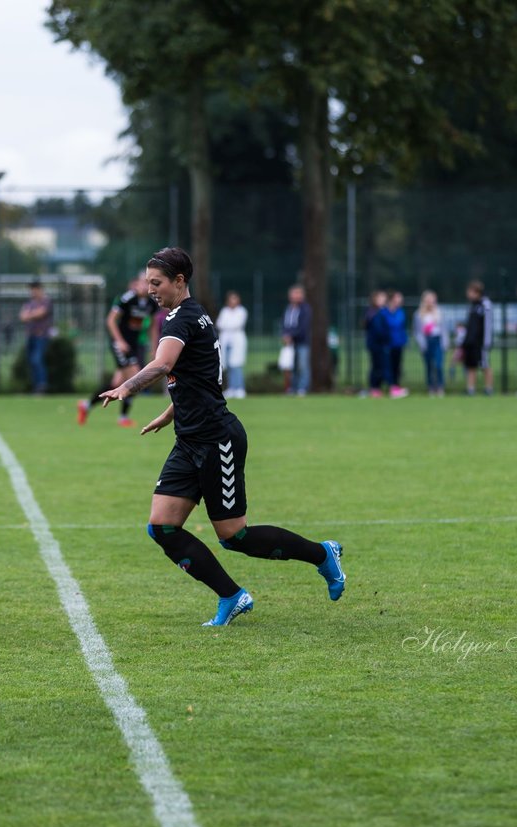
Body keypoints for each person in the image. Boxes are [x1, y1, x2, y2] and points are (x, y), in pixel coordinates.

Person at [99, 247, 345, 626]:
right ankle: (231, 595)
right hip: (189, 439)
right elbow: (199, 380)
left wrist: (125, 389)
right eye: (148, 282)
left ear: (179, 281)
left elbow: (164, 365)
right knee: (162, 526)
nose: (150, 290)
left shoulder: (182, 319)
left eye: (156, 283)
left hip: (218, 440)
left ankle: (322, 554)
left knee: (235, 536)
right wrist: (169, 415)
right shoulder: (190, 317)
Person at [79, 276, 156, 426]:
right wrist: (119, 341)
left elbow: (152, 326)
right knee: (135, 377)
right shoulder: (127, 299)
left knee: (117, 383)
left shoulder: (151, 303)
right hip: (120, 344)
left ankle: (86, 406)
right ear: (137, 283)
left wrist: (154, 346)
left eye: (149, 283)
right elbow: (110, 320)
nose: (145, 286)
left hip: (132, 345)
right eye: (143, 282)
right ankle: (123, 417)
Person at [19, 281, 53, 395]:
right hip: (31, 335)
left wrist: (30, 314)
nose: (33, 292)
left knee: (37, 359)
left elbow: (41, 313)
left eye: (35, 289)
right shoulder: (29, 303)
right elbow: (22, 316)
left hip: (41, 336)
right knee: (31, 361)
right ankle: (36, 386)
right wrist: (32, 314)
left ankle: (42, 385)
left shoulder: (46, 301)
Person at [462, 280, 493, 395]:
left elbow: (488, 325)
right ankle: (471, 389)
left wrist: (487, 342)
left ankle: (488, 388)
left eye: (470, 292)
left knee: (484, 364)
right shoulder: (472, 306)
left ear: (476, 292)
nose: (468, 294)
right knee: (471, 366)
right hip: (471, 342)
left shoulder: (485, 304)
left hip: (481, 342)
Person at [215, 290, 248, 399]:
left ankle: (239, 388)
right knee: (228, 366)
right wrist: (227, 325)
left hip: (237, 341)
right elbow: (219, 324)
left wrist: (227, 325)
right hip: (226, 341)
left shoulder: (242, 311)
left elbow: (237, 324)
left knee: (236, 365)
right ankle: (232, 388)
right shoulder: (225, 311)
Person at [414, 290, 445, 397]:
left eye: (432, 300)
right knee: (428, 366)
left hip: (437, 341)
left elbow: (443, 329)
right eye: (428, 300)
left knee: (438, 364)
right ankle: (431, 387)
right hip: (426, 341)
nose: (430, 302)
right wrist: (422, 343)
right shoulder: (418, 314)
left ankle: (440, 386)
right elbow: (417, 331)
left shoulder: (439, 312)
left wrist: (445, 343)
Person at [281, 285, 311, 396]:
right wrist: (285, 335)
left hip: (301, 341)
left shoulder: (305, 309)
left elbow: (303, 327)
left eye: (297, 293)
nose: (295, 296)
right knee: (291, 366)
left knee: (302, 366)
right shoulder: (288, 309)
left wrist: (291, 336)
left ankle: (302, 388)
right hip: (289, 343)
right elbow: (284, 324)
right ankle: (292, 388)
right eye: (293, 294)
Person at [363, 290, 390, 398]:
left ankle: (376, 387)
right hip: (376, 344)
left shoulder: (380, 312)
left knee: (379, 366)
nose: (384, 300)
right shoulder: (373, 313)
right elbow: (378, 330)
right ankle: (374, 387)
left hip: (379, 344)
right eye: (381, 298)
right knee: (376, 366)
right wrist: (385, 338)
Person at [382, 291, 409, 397]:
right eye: (398, 298)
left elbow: (400, 325)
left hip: (398, 343)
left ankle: (396, 386)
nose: (400, 300)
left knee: (397, 366)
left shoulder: (400, 312)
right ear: (392, 299)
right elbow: (390, 324)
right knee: (388, 366)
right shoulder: (384, 312)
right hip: (388, 344)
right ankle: (390, 386)